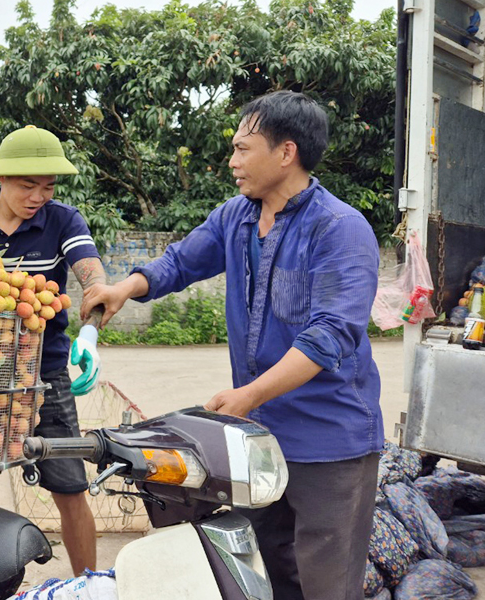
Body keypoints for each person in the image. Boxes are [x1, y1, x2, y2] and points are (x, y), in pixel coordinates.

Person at [81, 91, 383, 600]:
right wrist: (123, 288)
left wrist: (249, 397)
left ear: (285, 153)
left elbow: (329, 334)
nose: (232, 161)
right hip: (259, 438)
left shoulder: (340, 229)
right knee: (261, 567)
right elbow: (179, 262)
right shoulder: (235, 218)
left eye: (244, 148)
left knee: (328, 581)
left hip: (332, 441)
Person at [0, 125, 106, 576]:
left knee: (69, 485)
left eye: (48, 186)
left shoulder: (64, 220)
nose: (39, 195)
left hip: (45, 374)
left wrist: (90, 333)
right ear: (0, 180)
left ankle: (89, 586)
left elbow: (94, 281)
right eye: (28, 185)